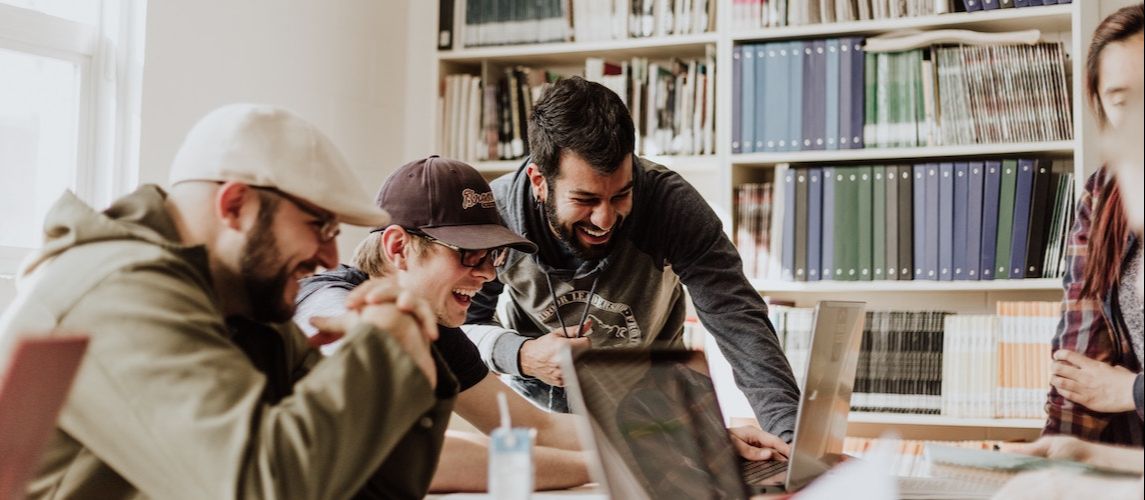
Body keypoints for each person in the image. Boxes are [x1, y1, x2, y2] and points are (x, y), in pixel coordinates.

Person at [0, 104, 456, 499]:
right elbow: (260, 487)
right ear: (235, 205)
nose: (330, 257)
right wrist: (382, 349)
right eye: (319, 226)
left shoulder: (244, 305)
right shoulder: (118, 292)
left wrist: (411, 353)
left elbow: (372, 487)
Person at [463, 76, 801, 448]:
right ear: (539, 181)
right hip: (542, 423)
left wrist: (790, 440)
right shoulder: (495, 217)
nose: (605, 219)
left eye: (621, 195)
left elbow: (739, 320)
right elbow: (459, 329)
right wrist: (521, 354)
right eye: (585, 200)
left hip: (654, 415)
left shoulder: (670, 205)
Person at [293, 155, 591, 492]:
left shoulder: (433, 326)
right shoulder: (327, 303)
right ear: (399, 247)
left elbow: (533, 427)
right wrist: (600, 466)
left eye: (492, 256)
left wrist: (642, 439)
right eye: (469, 253)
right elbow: (405, 454)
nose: (488, 274)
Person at [1044, 3, 1144, 445]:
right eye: (1124, 101)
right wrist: (1053, 455)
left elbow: (1113, 388)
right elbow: (1079, 361)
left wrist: (1131, 390)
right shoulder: (1104, 194)